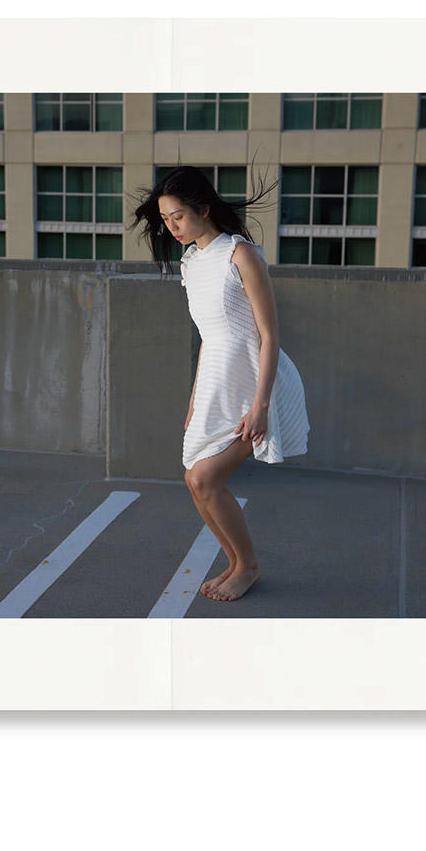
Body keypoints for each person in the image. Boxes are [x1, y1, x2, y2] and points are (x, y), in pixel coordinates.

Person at [130, 165, 310, 602]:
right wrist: (196, 398)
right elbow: (210, 338)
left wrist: (260, 406)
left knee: (206, 478)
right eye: (165, 219)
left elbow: (269, 335)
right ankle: (234, 563)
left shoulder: (240, 255)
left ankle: (247, 566)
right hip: (217, 381)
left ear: (204, 209)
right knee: (194, 479)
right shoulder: (192, 263)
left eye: (178, 217)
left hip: (257, 382)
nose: (172, 227)